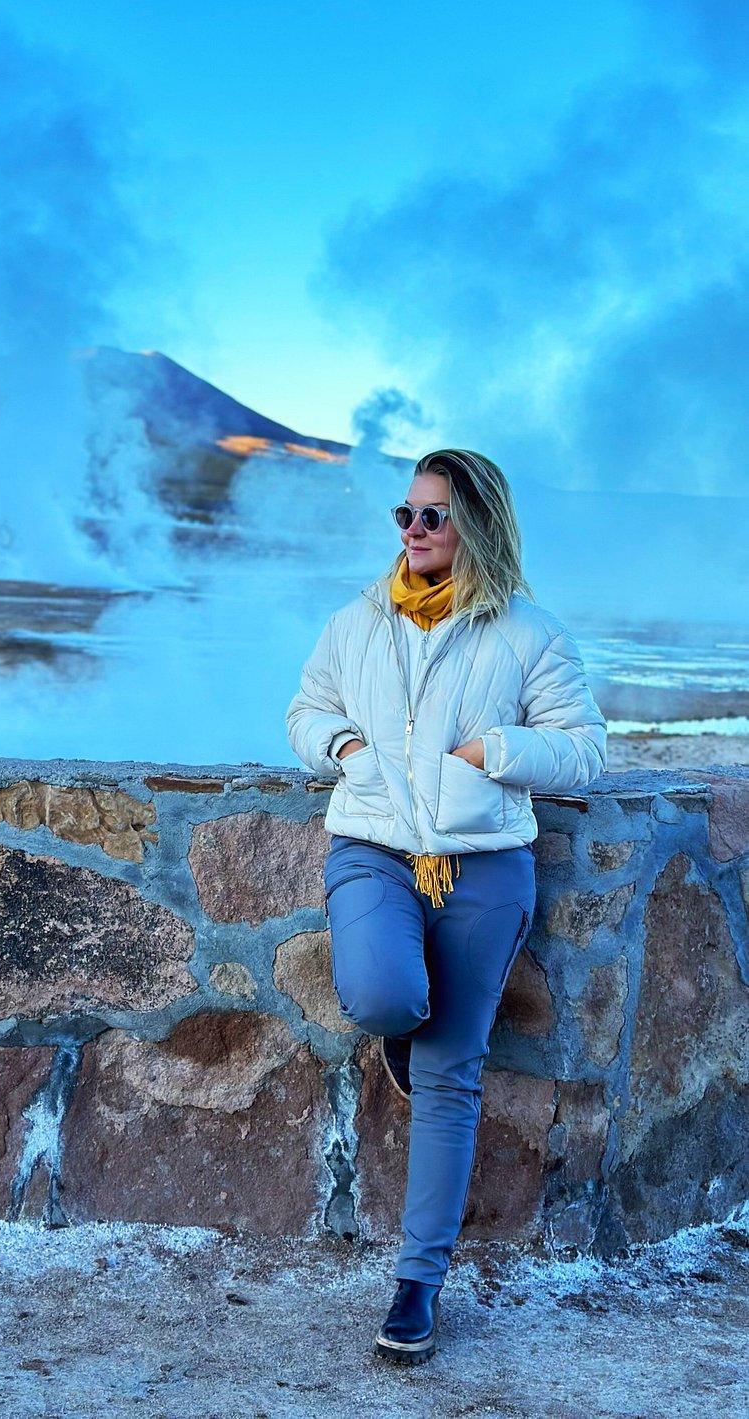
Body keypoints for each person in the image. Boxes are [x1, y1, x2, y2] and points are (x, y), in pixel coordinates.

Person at [285, 449, 607, 1365]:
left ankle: (418, 1282)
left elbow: (585, 751)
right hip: (376, 849)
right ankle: (402, 1032)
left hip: (485, 867)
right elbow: (305, 712)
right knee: (384, 995)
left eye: (434, 514)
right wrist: (344, 748)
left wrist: (493, 751)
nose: (414, 530)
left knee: (452, 1071)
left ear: (478, 525)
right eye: (406, 513)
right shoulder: (357, 621)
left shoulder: (529, 632)